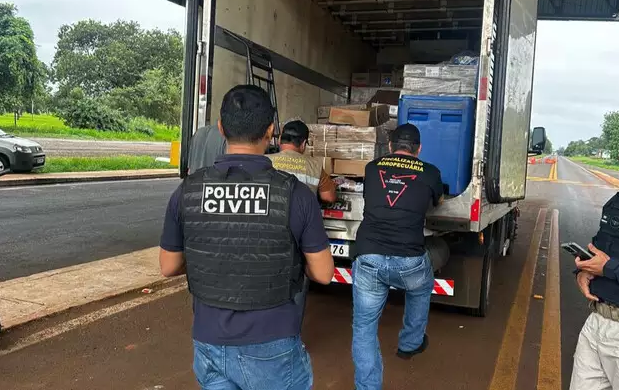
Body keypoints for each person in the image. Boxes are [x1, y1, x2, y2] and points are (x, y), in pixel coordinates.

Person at [159, 84, 335, 390]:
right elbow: (323, 273)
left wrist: (211, 256)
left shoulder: (187, 191)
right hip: (273, 344)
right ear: (270, 131)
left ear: (221, 128)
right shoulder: (295, 194)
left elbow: (168, 266)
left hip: (209, 343)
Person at [351, 123, 444, 390]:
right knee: (422, 286)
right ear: (419, 149)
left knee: (364, 327)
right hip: (409, 260)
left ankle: (368, 387)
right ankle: (410, 343)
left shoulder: (372, 168)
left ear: (390, 146)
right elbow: (437, 201)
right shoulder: (430, 172)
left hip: (369, 256)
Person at [570, 125, 619, 390]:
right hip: (597, 323)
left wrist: (609, 268)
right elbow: (600, 248)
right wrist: (585, 270)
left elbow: (609, 265)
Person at [267, 120, 337, 203]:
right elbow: (329, 197)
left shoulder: (264, 160)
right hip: (302, 211)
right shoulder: (315, 166)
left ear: (279, 140)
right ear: (303, 144)